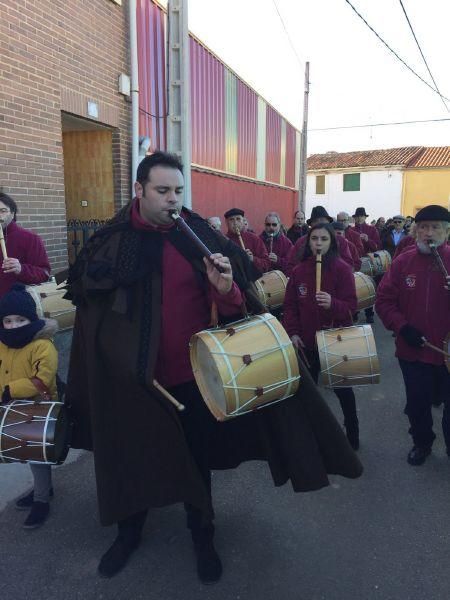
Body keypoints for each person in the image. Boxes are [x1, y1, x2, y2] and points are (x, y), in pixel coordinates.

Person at [65, 151, 362, 584]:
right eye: (162, 191)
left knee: (194, 460)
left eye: (178, 191)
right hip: (134, 383)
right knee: (131, 459)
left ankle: (202, 534)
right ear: (140, 191)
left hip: (193, 379)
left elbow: (238, 303)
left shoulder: (198, 236)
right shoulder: (112, 242)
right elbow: (93, 315)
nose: (172, 200)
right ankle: (128, 533)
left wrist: (226, 291)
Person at [376, 205, 450, 466]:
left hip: (447, 353)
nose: (428, 233)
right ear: (416, 230)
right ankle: (422, 442)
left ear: (446, 231)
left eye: (435, 227)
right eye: (423, 227)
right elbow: (383, 300)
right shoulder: (403, 262)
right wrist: (402, 326)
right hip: (413, 350)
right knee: (418, 404)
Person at [283, 223, 360, 449]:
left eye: (324, 239)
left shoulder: (342, 269)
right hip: (307, 341)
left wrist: (332, 303)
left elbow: (352, 307)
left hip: (336, 338)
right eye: (314, 239)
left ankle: (352, 433)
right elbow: (290, 306)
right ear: (308, 242)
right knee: (307, 393)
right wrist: (293, 333)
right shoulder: (298, 271)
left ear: (332, 243)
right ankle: (310, 435)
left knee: (344, 391)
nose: (318, 243)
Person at [0, 284, 58, 528]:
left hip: (37, 409)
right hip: (10, 407)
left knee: (36, 456)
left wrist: (8, 390)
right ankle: (44, 489)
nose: (14, 326)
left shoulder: (43, 345)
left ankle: (42, 500)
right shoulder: (3, 343)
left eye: (20, 320)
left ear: (31, 319)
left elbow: (41, 380)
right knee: (23, 454)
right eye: (8, 321)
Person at [0, 192, 51, 297]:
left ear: (12, 213)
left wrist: (21, 269)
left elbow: (44, 273)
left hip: (16, 304)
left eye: (2, 211)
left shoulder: (30, 238)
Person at [286, 206, 354, 276]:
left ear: (328, 223)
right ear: (311, 225)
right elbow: (291, 267)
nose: (319, 224)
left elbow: (348, 266)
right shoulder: (301, 242)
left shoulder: (340, 241)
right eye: (316, 221)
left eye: (322, 220)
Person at [224, 208, 270, 276]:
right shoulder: (224, 240)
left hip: (253, 281)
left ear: (243, 221)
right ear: (226, 223)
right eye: (231, 219)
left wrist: (252, 259)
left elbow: (267, 264)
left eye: (238, 219)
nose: (235, 223)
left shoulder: (254, 238)